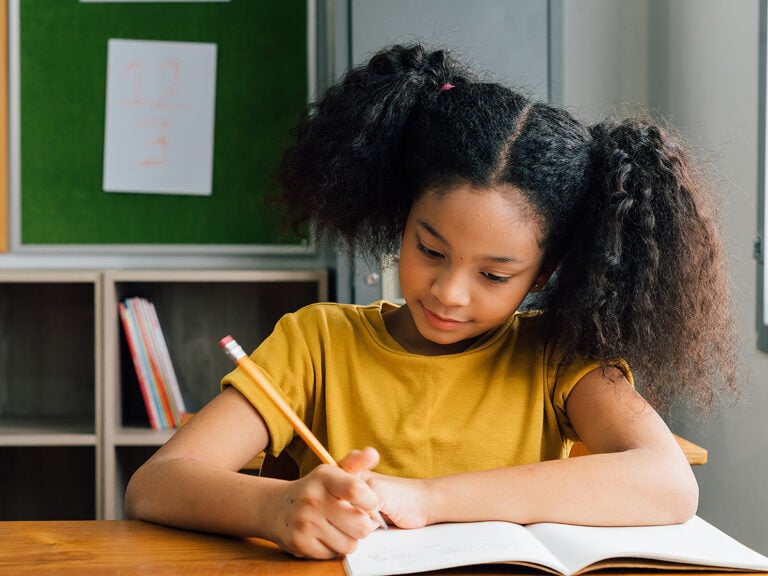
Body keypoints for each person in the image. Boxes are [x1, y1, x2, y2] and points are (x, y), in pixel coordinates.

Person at [125, 44, 739, 560]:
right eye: (431, 250)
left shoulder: (559, 356)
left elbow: (667, 484)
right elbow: (156, 484)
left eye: (495, 275)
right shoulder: (317, 342)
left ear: (544, 272)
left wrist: (426, 499)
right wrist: (277, 507)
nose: (449, 292)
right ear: (402, 218)